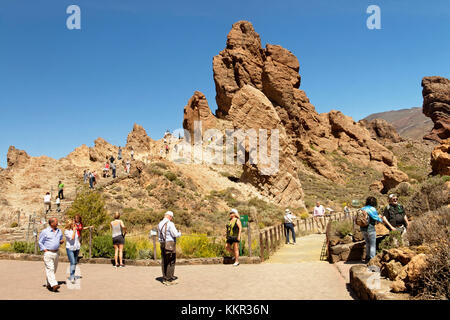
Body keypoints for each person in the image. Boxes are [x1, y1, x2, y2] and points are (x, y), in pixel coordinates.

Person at [38, 218, 64, 292]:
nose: (57, 223)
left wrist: (61, 241)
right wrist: (45, 250)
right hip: (48, 252)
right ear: (51, 223)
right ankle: (54, 284)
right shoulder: (45, 231)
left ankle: (48, 284)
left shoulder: (59, 231)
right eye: (56, 222)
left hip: (56, 252)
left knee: (53, 270)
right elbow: (40, 242)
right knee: (50, 268)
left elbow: (60, 239)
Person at [158, 211, 181, 285]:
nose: (172, 219)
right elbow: (175, 234)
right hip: (170, 243)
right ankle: (169, 279)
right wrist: (179, 233)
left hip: (162, 243)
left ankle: (165, 277)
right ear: (170, 216)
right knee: (171, 261)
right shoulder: (170, 224)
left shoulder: (160, 223)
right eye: (171, 217)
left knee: (164, 260)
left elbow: (159, 235)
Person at [360, 196, 383, 263]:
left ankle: (367, 257)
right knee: (373, 244)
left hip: (362, 228)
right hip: (370, 228)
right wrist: (380, 218)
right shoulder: (372, 209)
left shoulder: (362, 208)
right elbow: (377, 218)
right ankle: (372, 260)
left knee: (367, 243)